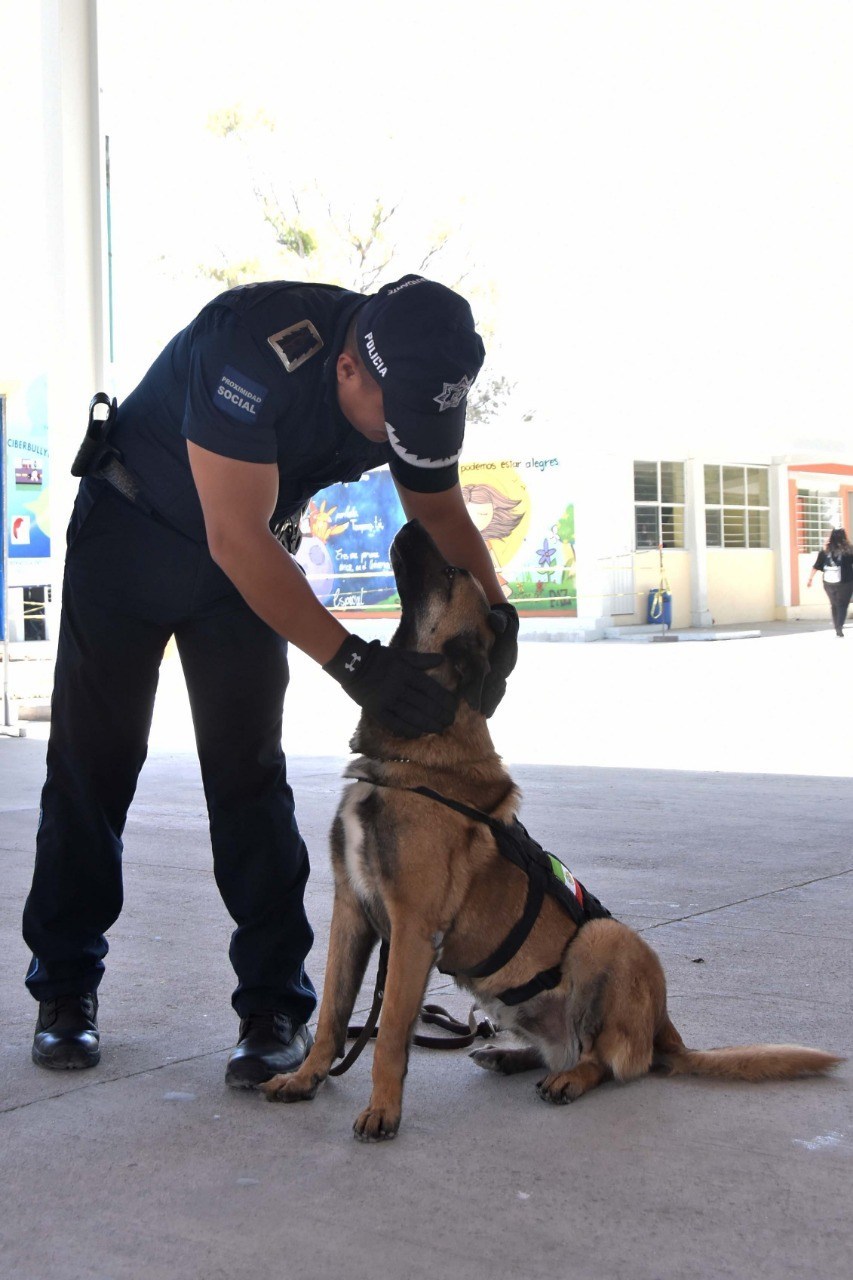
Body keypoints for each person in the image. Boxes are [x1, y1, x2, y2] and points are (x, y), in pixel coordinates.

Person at [22, 274, 520, 1086]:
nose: (402, 441)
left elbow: (438, 513)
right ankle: (65, 988)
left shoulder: (412, 380)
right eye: (394, 422)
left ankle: (272, 1006)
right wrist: (356, 665)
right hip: (132, 538)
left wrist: (497, 618)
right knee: (92, 767)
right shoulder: (252, 346)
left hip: (244, 572)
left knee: (248, 775)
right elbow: (236, 537)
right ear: (349, 369)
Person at [806, 527, 853, 637]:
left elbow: (816, 566)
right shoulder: (849, 550)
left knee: (834, 604)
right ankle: (839, 626)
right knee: (842, 605)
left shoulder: (825, 551)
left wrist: (810, 579)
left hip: (828, 583)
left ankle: (837, 626)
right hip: (846, 582)